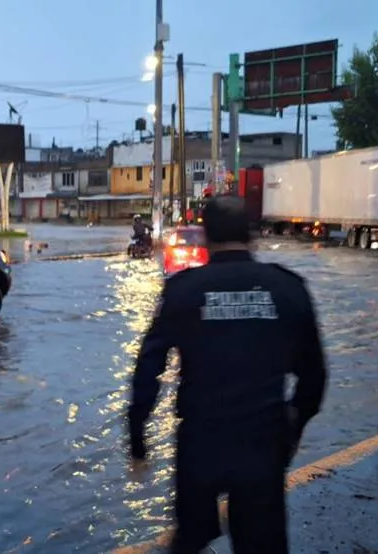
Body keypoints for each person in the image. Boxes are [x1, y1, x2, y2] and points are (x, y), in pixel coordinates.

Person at [127, 196, 328, 554]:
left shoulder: (183, 290)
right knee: (262, 544)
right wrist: (293, 425)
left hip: (200, 444)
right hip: (263, 444)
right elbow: (314, 376)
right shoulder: (287, 288)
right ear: (251, 236)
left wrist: (138, 434)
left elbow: (148, 367)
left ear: (205, 236)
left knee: (189, 539)